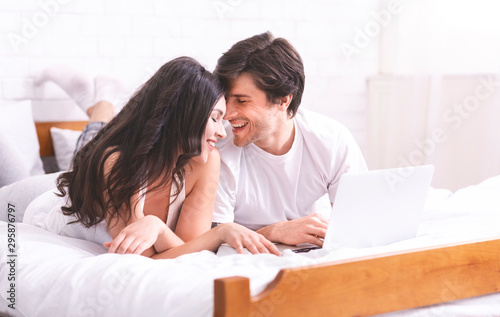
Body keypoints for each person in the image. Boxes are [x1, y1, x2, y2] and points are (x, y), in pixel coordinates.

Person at [25, 57, 280, 258]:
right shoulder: (116, 162)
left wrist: (156, 227)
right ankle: (102, 103)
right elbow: (143, 259)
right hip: (39, 198)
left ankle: (100, 102)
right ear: (184, 114)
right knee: (88, 152)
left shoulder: (206, 161)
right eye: (214, 118)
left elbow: (191, 252)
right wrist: (216, 234)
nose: (222, 132)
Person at [212, 32, 368, 247]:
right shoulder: (218, 150)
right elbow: (212, 240)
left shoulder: (331, 140)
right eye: (226, 99)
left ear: (283, 100)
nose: (227, 114)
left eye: (241, 101)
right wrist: (274, 232)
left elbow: (360, 222)